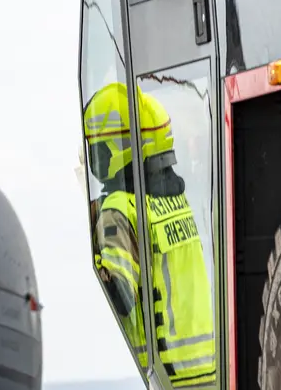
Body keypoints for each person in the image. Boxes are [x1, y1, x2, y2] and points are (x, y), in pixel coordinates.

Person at [84, 83, 219, 389]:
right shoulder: (174, 201)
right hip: (207, 369)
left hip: (165, 375)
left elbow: (120, 297)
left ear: (116, 150)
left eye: (98, 149)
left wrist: (93, 244)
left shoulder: (120, 210)